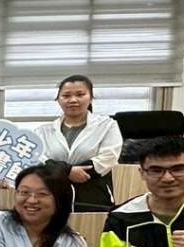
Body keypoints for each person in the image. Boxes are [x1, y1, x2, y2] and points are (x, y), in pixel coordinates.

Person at [35, 74, 123, 212]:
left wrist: (68, 171)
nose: (73, 100)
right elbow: (38, 159)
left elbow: (108, 157)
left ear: (91, 97)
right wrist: (67, 171)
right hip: (53, 192)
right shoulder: (43, 131)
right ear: (58, 99)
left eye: (80, 94)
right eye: (66, 95)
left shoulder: (107, 125)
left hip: (92, 192)